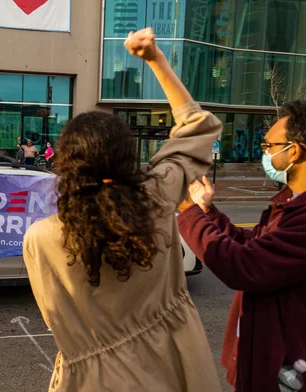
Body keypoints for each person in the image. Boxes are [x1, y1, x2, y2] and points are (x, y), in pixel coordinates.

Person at [22, 28, 222, 392]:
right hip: (176, 364)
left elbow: (55, 319)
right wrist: (154, 59)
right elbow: (197, 126)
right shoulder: (158, 196)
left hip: (95, 380)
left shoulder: (41, 237)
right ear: (129, 156)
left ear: (66, 164)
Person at [177, 100, 306, 392]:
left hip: (285, 373)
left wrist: (186, 209)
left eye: (269, 145)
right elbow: (253, 247)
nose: (266, 152)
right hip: (263, 361)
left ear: (294, 151)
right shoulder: (289, 204)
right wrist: (206, 211)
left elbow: (244, 266)